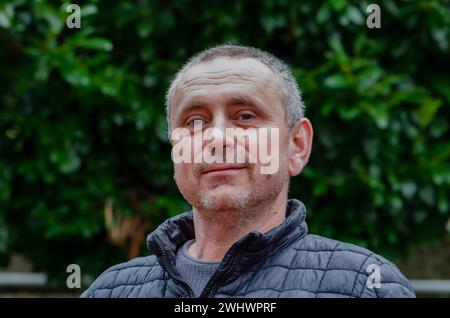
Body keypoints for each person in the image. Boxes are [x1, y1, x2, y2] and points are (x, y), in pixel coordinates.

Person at [81, 45, 415, 298]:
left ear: (297, 145)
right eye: (194, 121)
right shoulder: (110, 290)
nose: (217, 137)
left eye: (245, 116)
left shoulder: (365, 285)